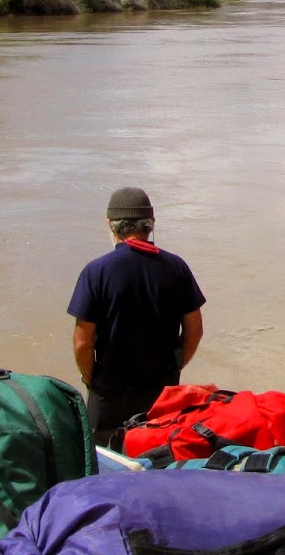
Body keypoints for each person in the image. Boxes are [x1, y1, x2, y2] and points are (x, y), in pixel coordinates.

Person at [67, 186, 206, 446]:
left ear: (111, 225)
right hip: (162, 394)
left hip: (109, 394)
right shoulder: (176, 267)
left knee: (104, 466)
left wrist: (90, 379)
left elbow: (82, 342)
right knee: (157, 457)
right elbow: (195, 330)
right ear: (150, 225)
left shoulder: (96, 272)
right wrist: (175, 368)